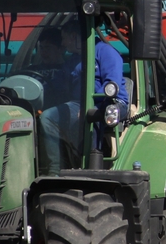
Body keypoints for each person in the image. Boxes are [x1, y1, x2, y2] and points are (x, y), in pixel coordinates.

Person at [39, 19, 128, 174]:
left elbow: (111, 85)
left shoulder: (105, 52)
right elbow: (56, 84)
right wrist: (37, 94)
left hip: (109, 103)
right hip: (79, 104)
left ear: (74, 37)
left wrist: (92, 106)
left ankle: (90, 165)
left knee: (91, 116)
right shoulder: (73, 60)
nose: (63, 43)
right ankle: (57, 169)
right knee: (47, 117)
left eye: (64, 38)